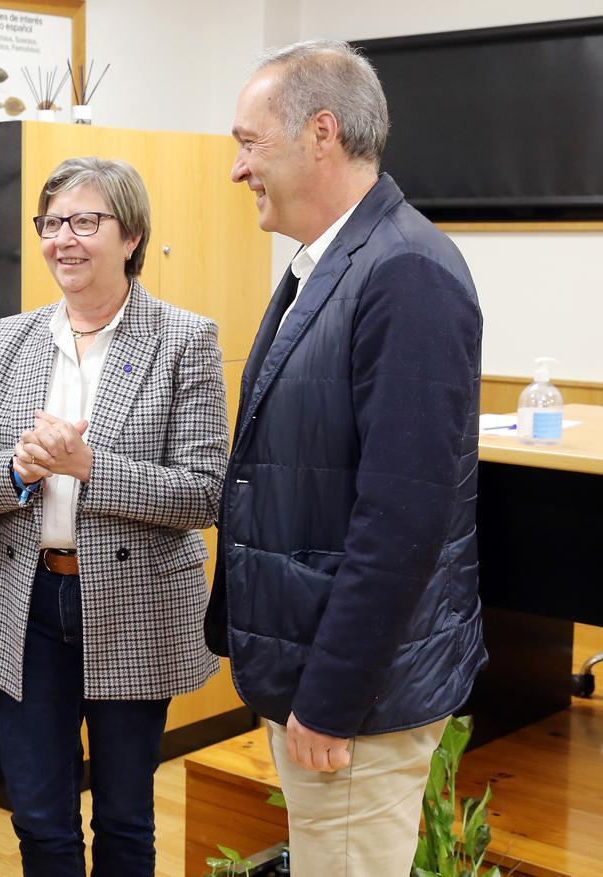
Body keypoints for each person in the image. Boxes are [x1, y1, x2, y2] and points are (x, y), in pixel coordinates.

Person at [204, 40, 488, 876]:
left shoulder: (406, 271)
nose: (235, 168)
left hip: (356, 695)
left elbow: (403, 515)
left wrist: (332, 695)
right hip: (318, 673)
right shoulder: (325, 265)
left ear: (320, 132)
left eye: (248, 142)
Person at [0, 157, 228, 877]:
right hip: (29, 601)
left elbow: (206, 493)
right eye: (51, 223)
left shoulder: (182, 338)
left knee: (125, 817)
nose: (63, 239)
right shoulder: (12, 337)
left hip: (134, 602)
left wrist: (88, 467)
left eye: (85, 221)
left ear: (130, 235)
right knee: (39, 818)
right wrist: (20, 469)